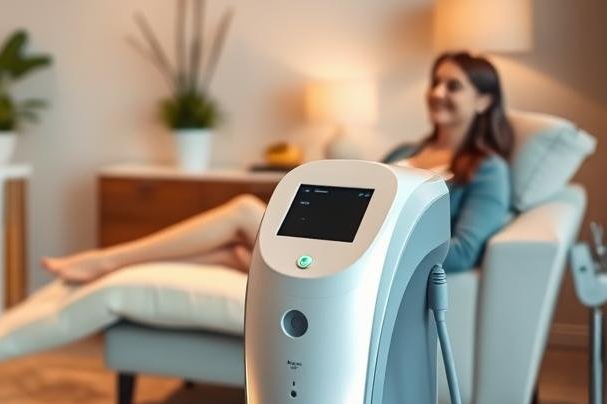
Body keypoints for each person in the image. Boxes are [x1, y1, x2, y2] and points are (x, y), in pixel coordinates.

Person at [43, 51, 512, 282]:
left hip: (365, 260)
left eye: (454, 86)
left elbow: (464, 251)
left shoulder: (487, 169)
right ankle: (118, 274)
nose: (438, 94)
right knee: (233, 255)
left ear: (484, 99)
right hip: (339, 241)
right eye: (436, 83)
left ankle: (108, 260)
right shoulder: (405, 150)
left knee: (247, 210)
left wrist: (379, 250)